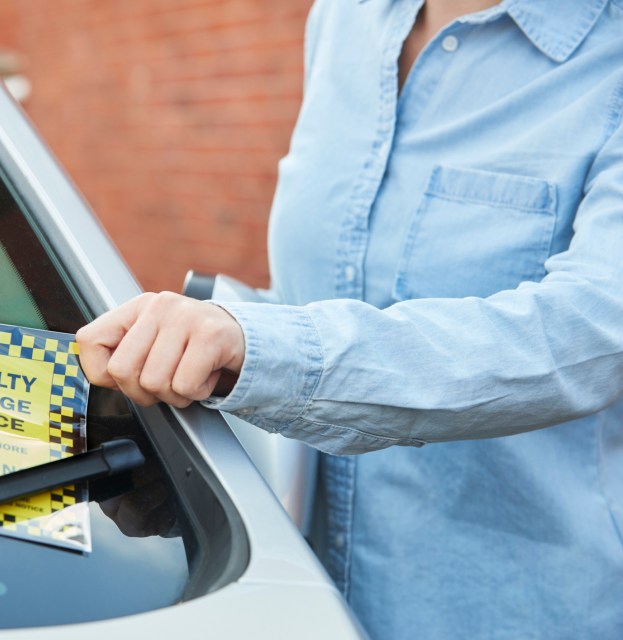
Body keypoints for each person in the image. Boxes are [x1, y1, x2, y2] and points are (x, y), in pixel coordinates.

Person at [76, 0, 623, 637]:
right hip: (297, 599)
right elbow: (326, 295)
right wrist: (201, 358)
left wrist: (262, 349)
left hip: (512, 611)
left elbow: (589, 332)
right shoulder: (343, 20)